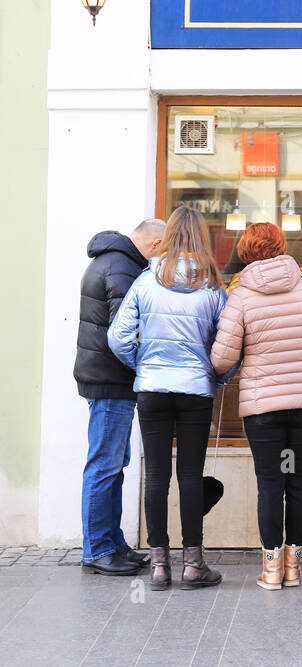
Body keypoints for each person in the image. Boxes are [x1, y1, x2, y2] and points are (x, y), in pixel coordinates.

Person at [210, 222, 302, 590]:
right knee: (297, 480)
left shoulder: (241, 295)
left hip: (264, 409)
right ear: (282, 246)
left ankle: (271, 570)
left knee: (271, 484)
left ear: (245, 251)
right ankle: (294, 567)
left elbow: (222, 359)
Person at [108, 206, 227, 591]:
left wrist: (143, 365)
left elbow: (118, 338)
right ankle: (194, 564)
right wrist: (218, 375)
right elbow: (226, 344)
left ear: (169, 235)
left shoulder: (146, 281)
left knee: (157, 474)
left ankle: (159, 565)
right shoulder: (212, 286)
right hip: (195, 389)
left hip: (153, 388)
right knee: (190, 474)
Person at [75, 219, 166, 576]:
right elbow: (124, 332)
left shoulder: (112, 261)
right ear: (156, 243)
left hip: (106, 377)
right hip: (111, 380)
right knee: (105, 465)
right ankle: (98, 549)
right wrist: (143, 366)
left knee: (113, 463)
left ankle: (112, 543)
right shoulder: (123, 268)